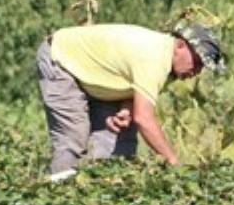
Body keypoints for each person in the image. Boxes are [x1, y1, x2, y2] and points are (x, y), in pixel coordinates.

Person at [35, 21, 224, 178]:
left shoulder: (168, 62)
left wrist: (126, 109)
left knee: (120, 141)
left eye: (202, 67)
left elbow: (131, 84)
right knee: (73, 138)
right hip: (61, 59)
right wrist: (173, 162)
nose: (196, 71)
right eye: (198, 61)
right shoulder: (155, 58)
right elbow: (144, 119)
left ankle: (100, 199)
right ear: (181, 45)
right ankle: (59, 198)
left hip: (95, 74)